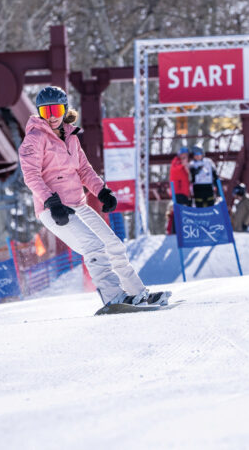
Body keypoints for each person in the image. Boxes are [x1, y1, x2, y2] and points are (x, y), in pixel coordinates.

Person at [19, 86, 170, 307]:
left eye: (56, 109)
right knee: (94, 247)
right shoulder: (34, 138)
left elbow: (84, 170)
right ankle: (113, 298)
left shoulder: (71, 137)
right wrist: (51, 201)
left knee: (114, 245)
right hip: (55, 208)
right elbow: (30, 175)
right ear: (39, 113)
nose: (51, 116)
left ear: (64, 110)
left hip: (79, 205)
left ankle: (137, 293)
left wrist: (102, 191)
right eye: (45, 111)